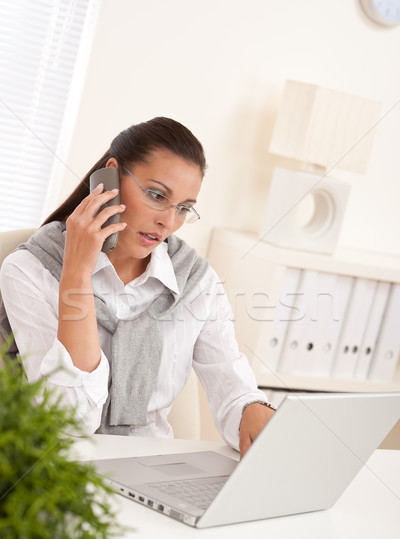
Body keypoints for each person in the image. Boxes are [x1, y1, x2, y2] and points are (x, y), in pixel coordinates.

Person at [0, 116, 275, 456]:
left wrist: (253, 411)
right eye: (157, 195)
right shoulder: (30, 270)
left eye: (184, 208)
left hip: (155, 472)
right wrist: (77, 274)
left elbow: (233, 388)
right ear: (111, 175)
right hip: (58, 478)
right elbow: (67, 423)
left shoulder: (195, 281)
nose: (168, 222)